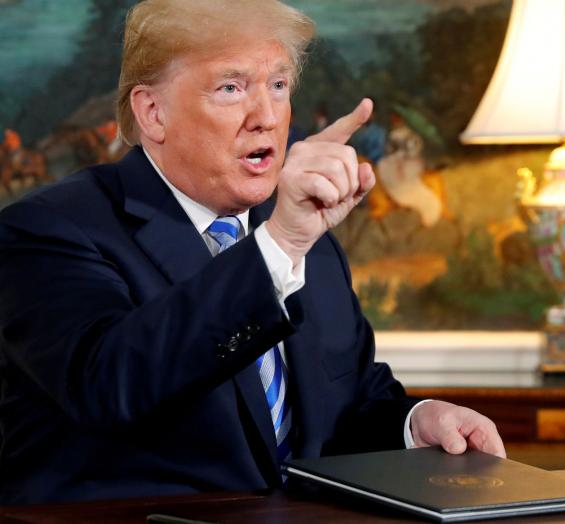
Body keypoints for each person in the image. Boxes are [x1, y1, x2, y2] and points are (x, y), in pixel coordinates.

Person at [0, 0, 504, 505]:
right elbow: (111, 385)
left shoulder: (307, 243)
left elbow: (347, 408)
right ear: (153, 112)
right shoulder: (48, 230)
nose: (266, 117)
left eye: (279, 86)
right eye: (231, 88)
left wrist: (416, 425)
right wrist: (280, 245)